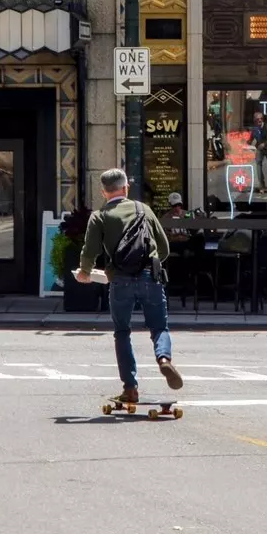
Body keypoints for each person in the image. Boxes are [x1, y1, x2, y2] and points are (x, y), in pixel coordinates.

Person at [76, 168, 183, 405]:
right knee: (159, 326)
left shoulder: (99, 216)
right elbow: (163, 248)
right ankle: (164, 359)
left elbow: (90, 250)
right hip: (150, 276)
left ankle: (130, 388)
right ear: (126, 188)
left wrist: (84, 272)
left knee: (122, 332)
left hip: (120, 280)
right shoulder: (143, 209)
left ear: (103, 192)